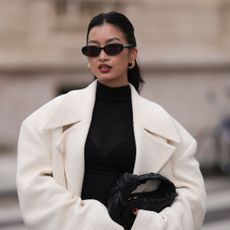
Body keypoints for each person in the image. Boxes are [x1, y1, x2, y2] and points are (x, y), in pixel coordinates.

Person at [17, 11, 206, 230]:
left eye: (113, 47)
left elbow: (193, 196)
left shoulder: (162, 123)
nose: (102, 56)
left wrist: (149, 225)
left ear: (132, 54)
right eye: (93, 49)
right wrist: (94, 222)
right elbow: (34, 185)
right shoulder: (55, 115)